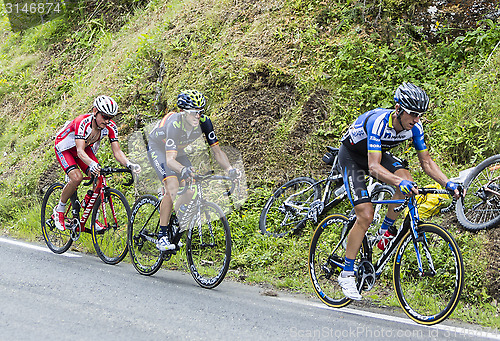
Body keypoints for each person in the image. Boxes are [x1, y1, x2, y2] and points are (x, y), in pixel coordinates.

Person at [337, 82, 461, 300]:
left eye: (420, 115)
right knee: (365, 214)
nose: (416, 120)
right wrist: (396, 181)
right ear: (398, 109)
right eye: (413, 114)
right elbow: (374, 167)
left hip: (376, 153)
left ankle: (385, 231)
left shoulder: (415, 128)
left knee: (408, 182)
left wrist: (447, 183)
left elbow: (427, 163)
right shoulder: (378, 123)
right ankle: (347, 273)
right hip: (352, 157)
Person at [147, 90, 239, 251]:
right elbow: (169, 161)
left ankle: (174, 221)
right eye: (194, 113)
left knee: (190, 190)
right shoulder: (174, 124)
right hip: (159, 149)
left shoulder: (204, 122)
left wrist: (229, 169)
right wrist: (182, 170)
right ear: (183, 112)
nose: (198, 116)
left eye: (200, 112)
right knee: (172, 187)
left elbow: (217, 152)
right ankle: (162, 236)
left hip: (178, 151)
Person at [53, 95, 141, 230]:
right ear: (95, 111)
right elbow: (80, 151)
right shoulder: (82, 122)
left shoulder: (110, 127)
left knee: (99, 176)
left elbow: (117, 152)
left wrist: (129, 164)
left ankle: (94, 216)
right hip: (65, 148)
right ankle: (59, 210)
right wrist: (92, 164)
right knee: (77, 177)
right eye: (104, 116)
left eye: (110, 118)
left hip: (83, 149)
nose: (107, 121)